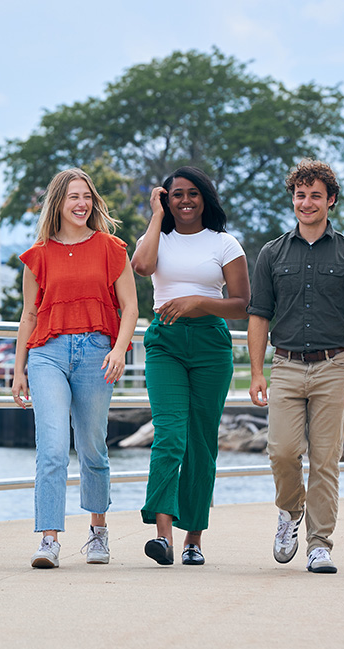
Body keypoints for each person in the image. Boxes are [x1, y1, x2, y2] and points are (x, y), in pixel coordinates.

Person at [247, 159, 344, 574]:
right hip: (286, 366)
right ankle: (290, 511)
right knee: (282, 452)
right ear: (293, 198)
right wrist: (256, 372)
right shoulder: (271, 253)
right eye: (300, 195)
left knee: (325, 461)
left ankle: (319, 545)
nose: (306, 203)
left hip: (334, 366)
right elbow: (258, 316)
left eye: (315, 196)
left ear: (331, 200)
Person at [11, 167, 139, 569]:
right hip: (47, 354)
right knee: (51, 448)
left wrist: (118, 350)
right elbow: (29, 316)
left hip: (96, 353)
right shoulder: (38, 255)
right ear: (58, 203)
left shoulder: (112, 248)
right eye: (73, 197)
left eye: (87, 196)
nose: (81, 204)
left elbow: (130, 308)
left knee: (92, 447)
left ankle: (98, 530)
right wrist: (18, 370)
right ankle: (49, 539)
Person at [131, 166, 250, 567]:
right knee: (169, 435)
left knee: (201, 441)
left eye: (192, 193)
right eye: (176, 194)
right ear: (167, 199)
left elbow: (242, 305)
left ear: (205, 198)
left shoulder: (224, 243)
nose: (185, 200)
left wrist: (198, 302)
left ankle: (193, 538)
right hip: (165, 343)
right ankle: (162, 536)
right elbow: (141, 267)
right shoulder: (156, 238)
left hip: (210, 345)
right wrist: (156, 215)